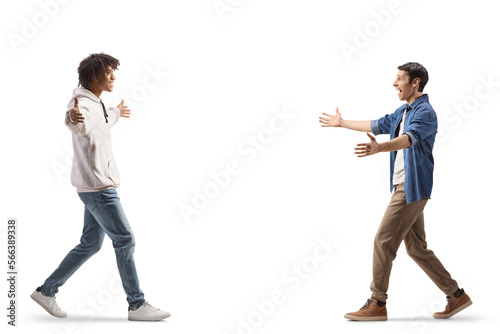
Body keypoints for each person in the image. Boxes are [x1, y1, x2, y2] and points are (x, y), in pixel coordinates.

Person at [319, 62, 472, 321]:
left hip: (412, 189)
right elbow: (376, 124)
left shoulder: (425, 112)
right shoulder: (403, 111)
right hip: (405, 187)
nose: (394, 83)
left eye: (400, 78)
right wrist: (342, 122)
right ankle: (456, 295)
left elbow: (408, 139)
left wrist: (380, 148)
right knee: (417, 248)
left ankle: (377, 301)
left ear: (415, 82)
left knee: (383, 241)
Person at [31, 53, 170, 321]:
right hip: (99, 190)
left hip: (91, 187)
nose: (113, 76)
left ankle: (46, 292)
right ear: (95, 77)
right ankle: (137, 305)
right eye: (109, 73)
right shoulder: (82, 105)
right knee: (125, 239)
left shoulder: (97, 104)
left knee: (91, 244)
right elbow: (77, 123)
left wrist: (117, 111)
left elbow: (102, 121)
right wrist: (71, 117)